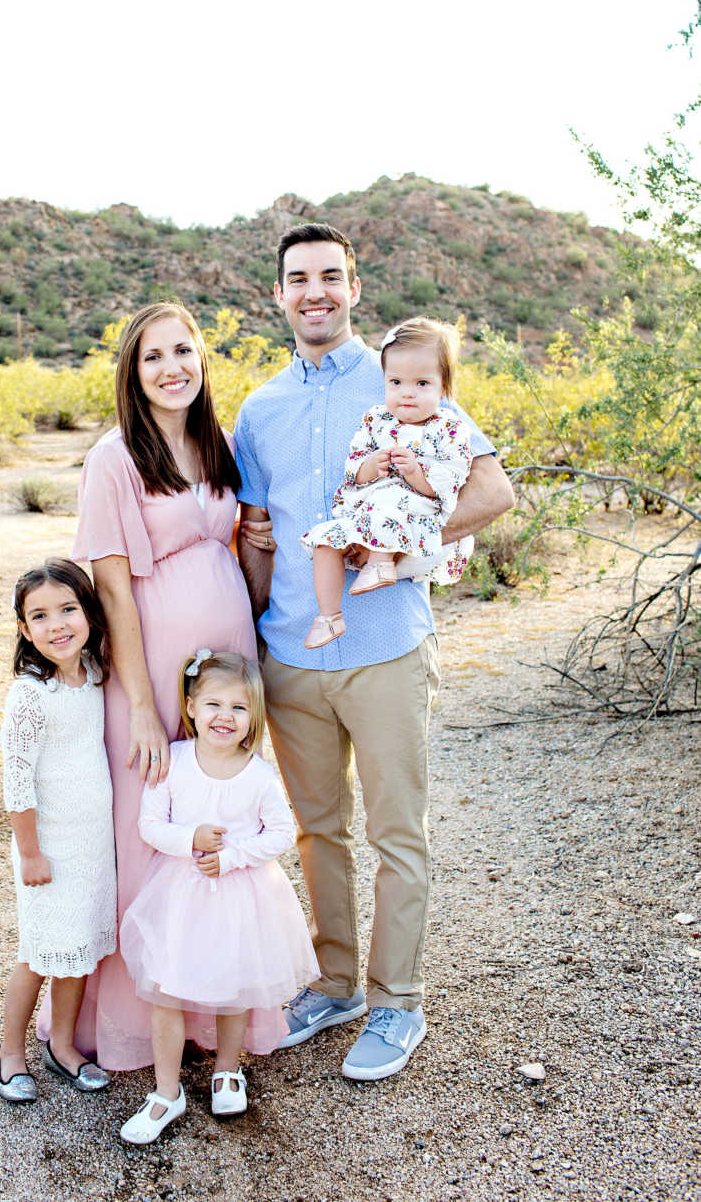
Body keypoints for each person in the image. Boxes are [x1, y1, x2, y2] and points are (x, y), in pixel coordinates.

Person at [235, 223, 514, 1081]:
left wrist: (418, 534)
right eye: (297, 279)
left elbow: (494, 490)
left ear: (354, 286)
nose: (314, 292)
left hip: (387, 644)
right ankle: (334, 984)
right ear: (278, 296)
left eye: (329, 276)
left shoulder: (406, 376)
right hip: (291, 652)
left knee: (398, 833)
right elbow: (259, 533)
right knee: (318, 833)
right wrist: (248, 638)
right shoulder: (259, 408)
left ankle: (398, 1003)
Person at [35, 301, 266, 1070]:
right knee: (150, 827)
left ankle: (209, 1012)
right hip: (153, 666)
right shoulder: (115, 457)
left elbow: (239, 544)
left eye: (184, 352)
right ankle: (137, 1019)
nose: (173, 369)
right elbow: (112, 590)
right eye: (153, 358)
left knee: (217, 813)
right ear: (132, 374)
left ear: (203, 359)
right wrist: (138, 705)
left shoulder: (218, 443)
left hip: (227, 661)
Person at [117, 650, 318, 1143]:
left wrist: (231, 857)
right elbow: (150, 825)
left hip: (240, 899)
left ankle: (228, 1069)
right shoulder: (174, 762)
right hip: (179, 899)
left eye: (238, 708)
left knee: (233, 985)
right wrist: (189, 840)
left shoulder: (258, 775)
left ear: (254, 716)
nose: (224, 717)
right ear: (190, 707)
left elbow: (281, 834)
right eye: (213, 705)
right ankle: (167, 1092)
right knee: (165, 991)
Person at [0, 559, 115, 1103]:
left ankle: (63, 1045)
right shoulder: (30, 695)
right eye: (39, 616)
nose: (57, 625)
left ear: (88, 613)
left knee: (79, 950)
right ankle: (10, 1051)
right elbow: (16, 784)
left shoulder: (93, 673)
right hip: (47, 849)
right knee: (40, 954)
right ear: (24, 629)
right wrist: (31, 854)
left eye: (68, 609)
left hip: (93, 846)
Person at [300, 316, 473, 649]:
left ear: (443, 387)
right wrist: (369, 466)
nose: (407, 393)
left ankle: (381, 564)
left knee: (390, 500)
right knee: (323, 539)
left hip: (416, 507)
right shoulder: (376, 419)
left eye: (422, 384)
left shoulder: (448, 428)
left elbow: (450, 481)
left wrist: (415, 474)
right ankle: (329, 617)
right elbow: (353, 468)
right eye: (396, 382)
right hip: (365, 511)